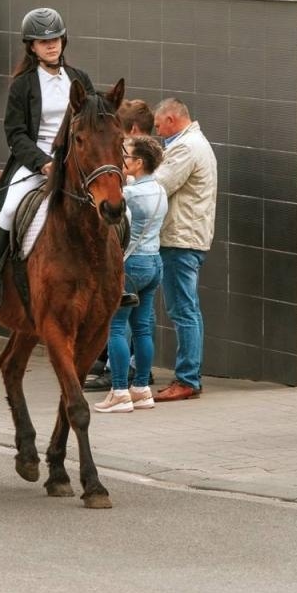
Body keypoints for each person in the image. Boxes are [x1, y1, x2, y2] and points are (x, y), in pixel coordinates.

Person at [0, 8, 97, 308]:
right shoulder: (23, 84)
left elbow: (94, 123)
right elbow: (15, 134)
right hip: (36, 161)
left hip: (77, 163)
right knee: (9, 209)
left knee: (116, 209)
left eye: (56, 39)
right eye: (44, 42)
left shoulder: (79, 78)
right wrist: (43, 161)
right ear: (32, 46)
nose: (52, 45)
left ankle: (115, 278)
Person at [150, 98, 218, 402]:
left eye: (158, 123)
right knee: (187, 309)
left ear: (172, 119)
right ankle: (189, 376)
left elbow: (158, 184)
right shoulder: (189, 143)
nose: (156, 129)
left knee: (183, 310)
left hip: (180, 239)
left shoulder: (186, 147)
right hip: (186, 237)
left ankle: (188, 378)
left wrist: (128, 179)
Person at [94, 135, 168, 413]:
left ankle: (119, 392)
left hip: (130, 265)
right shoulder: (160, 189)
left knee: (116, 327)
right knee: (142, 328)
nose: (121, 160)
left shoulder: (131, 195)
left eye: (125, 156)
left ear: (138, 163)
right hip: (153, 262)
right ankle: (141, 390)